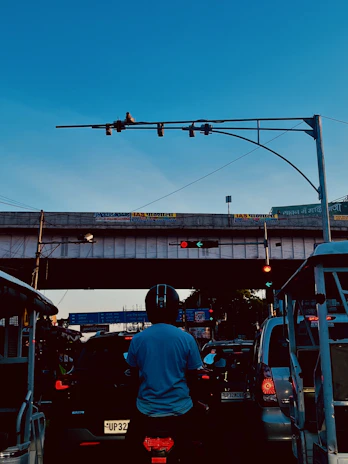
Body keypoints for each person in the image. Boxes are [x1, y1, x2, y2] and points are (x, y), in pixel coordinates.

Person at [126, 284, 204, 461]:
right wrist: (197, 401)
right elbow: (193, 377)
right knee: (196, 449)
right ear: (175, 308)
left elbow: (132, 375)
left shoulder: (138, 340)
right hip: (181, 411)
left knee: (130, 452)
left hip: (145, 412)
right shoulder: (186, 339)